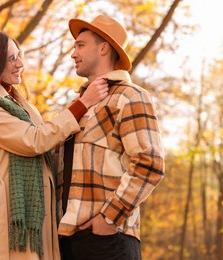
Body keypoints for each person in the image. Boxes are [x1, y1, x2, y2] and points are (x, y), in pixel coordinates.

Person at [0, 31, 109, 260]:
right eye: (11, 59)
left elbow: (49, 140)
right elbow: (33, 140)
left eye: (19, 56)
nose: (20, 64)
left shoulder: (19, 102)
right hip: (9, 212)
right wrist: (83, 104)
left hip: (35, 210)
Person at [56, 15, 165, 260]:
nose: (73, 53)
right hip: (67, 241)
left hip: (108, 241)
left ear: (104, 47)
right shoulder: (77, 107)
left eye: (80, 45)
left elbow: (150, 163)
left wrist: (108, 219)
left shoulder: (130, 97)